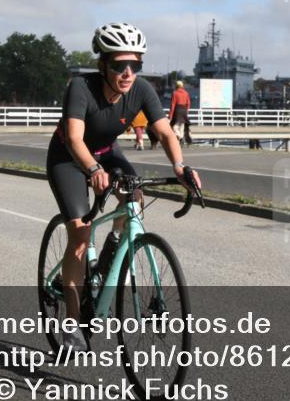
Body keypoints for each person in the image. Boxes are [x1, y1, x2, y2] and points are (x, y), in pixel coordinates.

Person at [45, 23, 201, 350]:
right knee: (79, 235)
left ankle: (113, 246)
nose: (128, 72)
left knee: (135, 194)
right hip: (69, 158)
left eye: (135, 65)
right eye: (119, 65)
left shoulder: (141, 90)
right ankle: (73, 324)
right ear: (103, 64)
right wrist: (92, 169)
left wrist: (180, 166)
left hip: (106, 152)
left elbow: (166, 132)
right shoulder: (80, 88)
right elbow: (74, 139)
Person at [169, 80, 191, 145]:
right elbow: (188, 103)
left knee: (174, 127)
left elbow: (173, 104)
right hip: (184, 110)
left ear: (176, 86)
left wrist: (170, 115)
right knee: (182, 126)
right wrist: (186, 111)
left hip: (178, 110)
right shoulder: (186, 93)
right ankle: (180, 141)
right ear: (182, 86)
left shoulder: (175, 93)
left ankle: (180, 137)